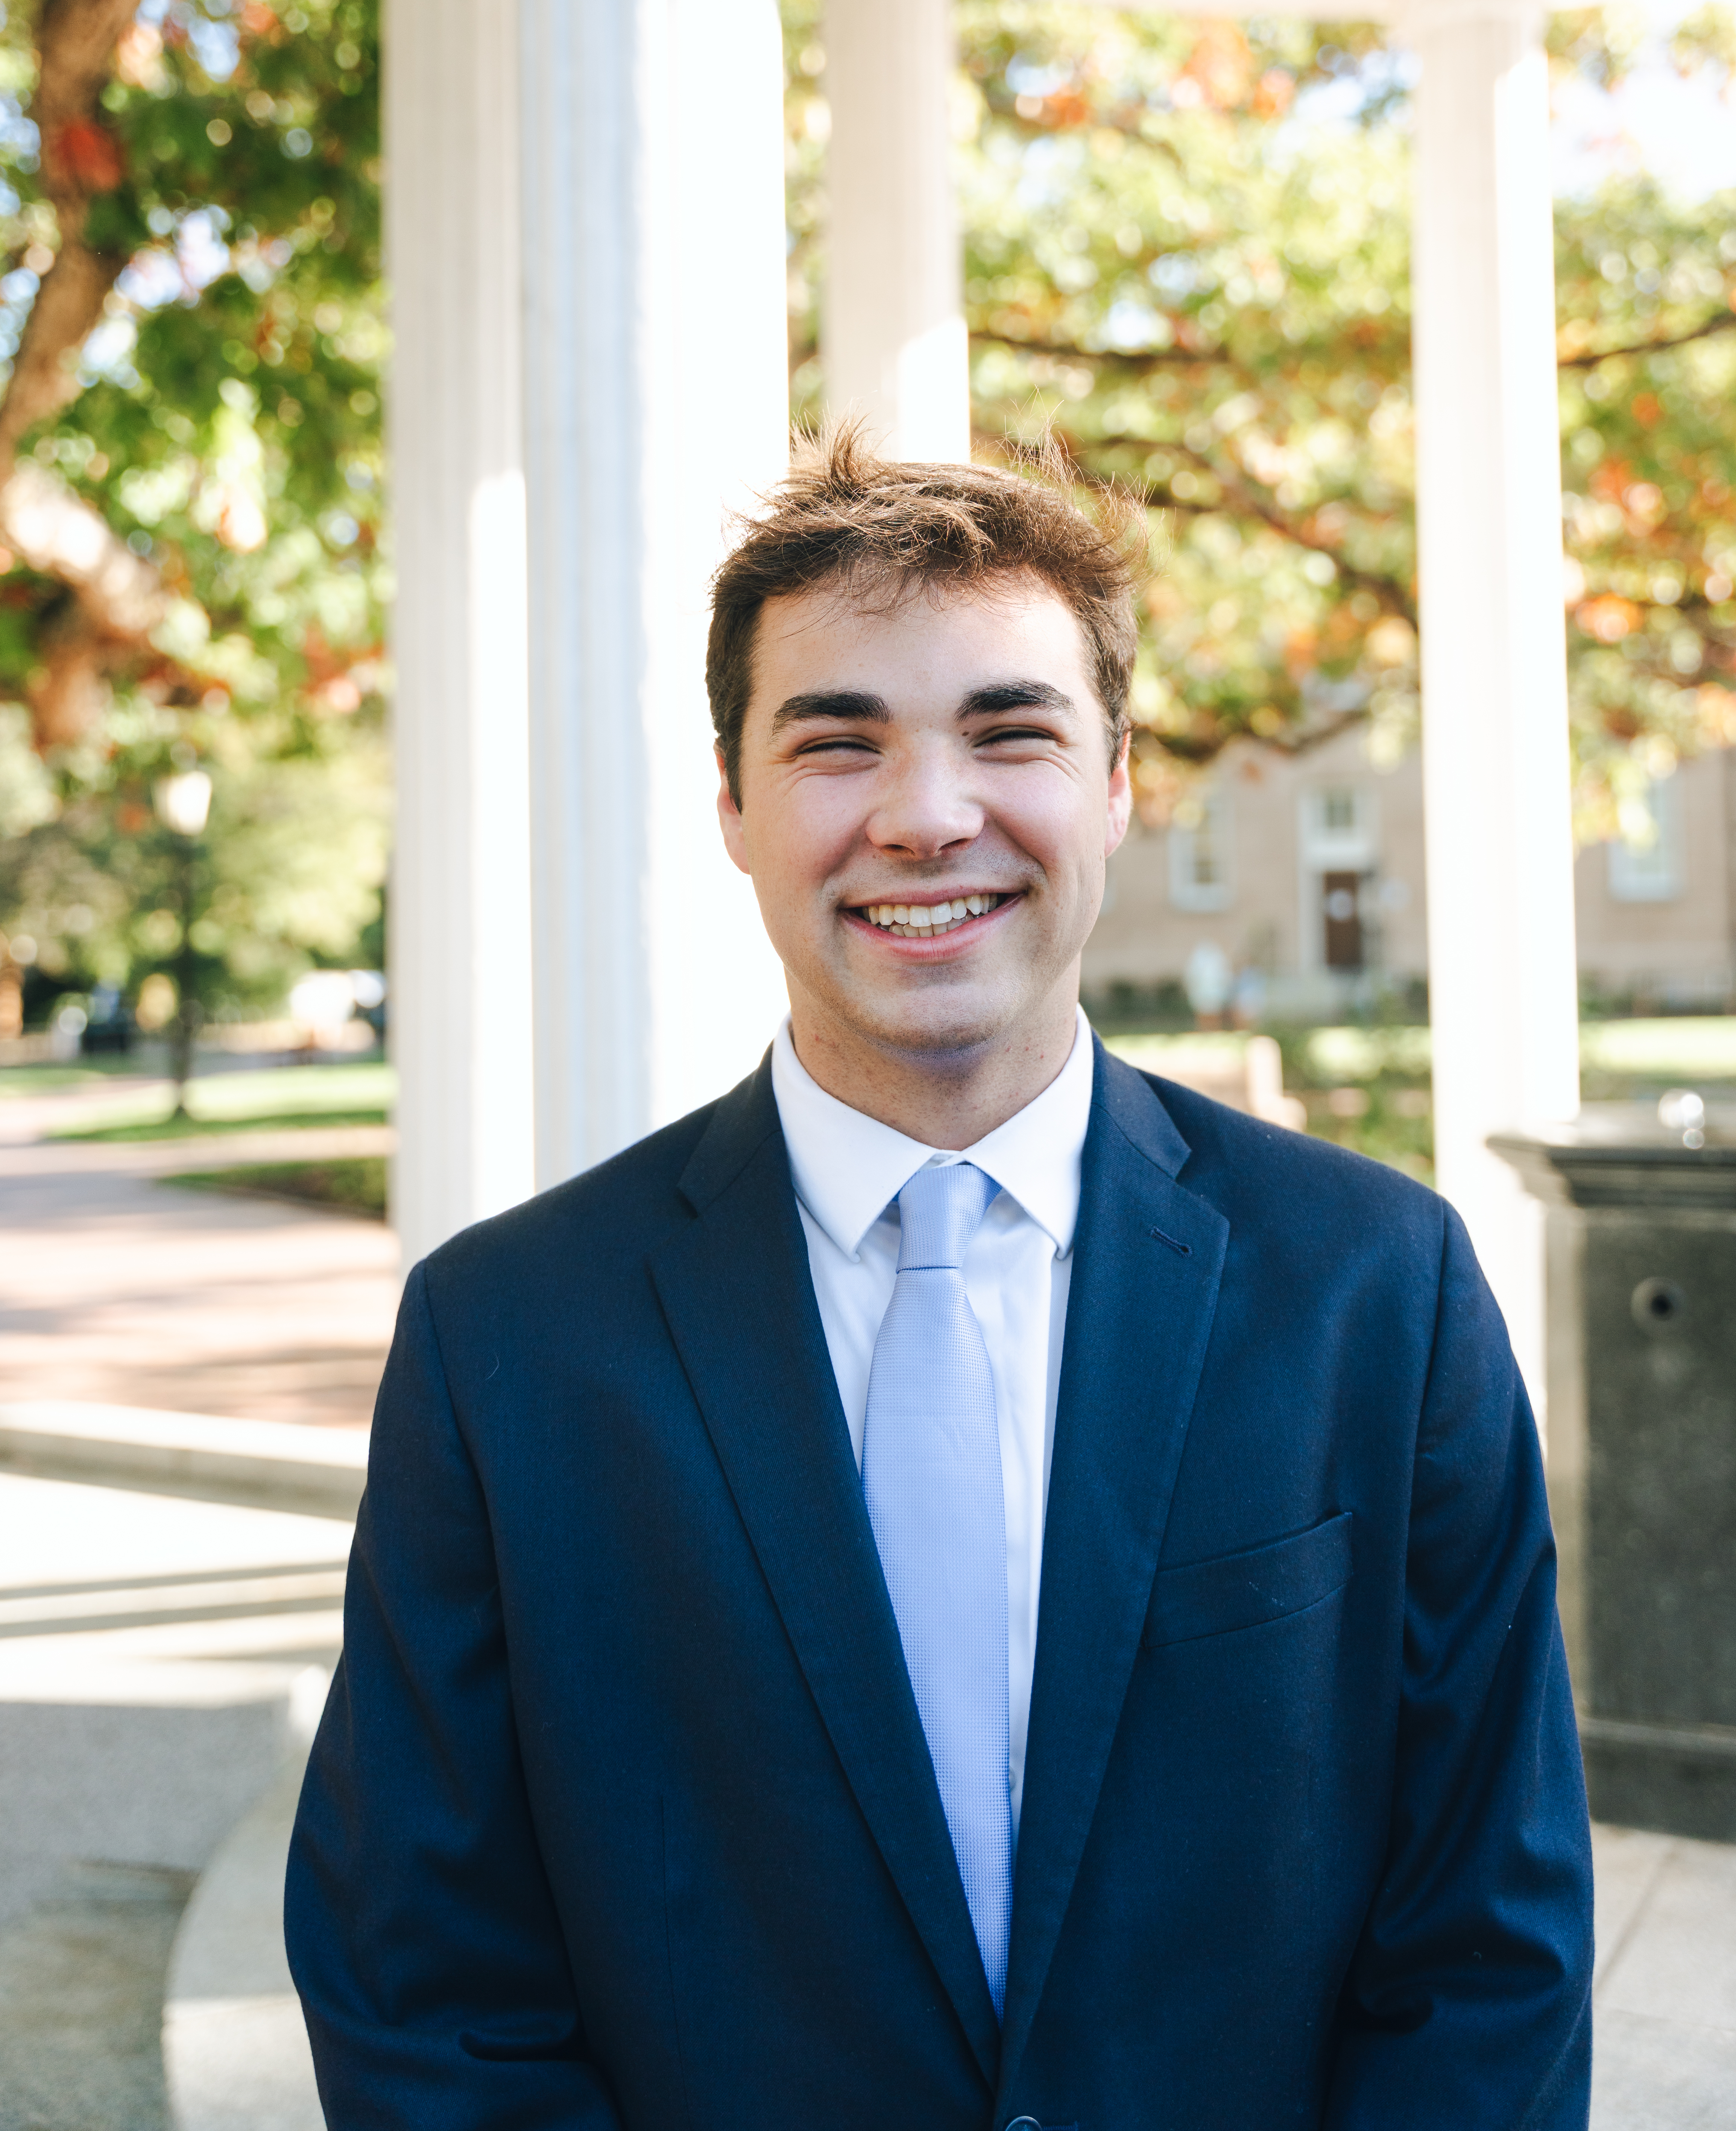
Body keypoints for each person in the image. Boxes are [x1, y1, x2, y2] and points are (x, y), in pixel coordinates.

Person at [286, 436, 1593, 2129]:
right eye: (837, 743)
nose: (924, 816)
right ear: (734, 809)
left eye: (1009, 730)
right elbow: (424, 1984)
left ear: (1119, 782)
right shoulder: (507, 1342)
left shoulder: (1377, 1292)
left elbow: (1489, 1944)